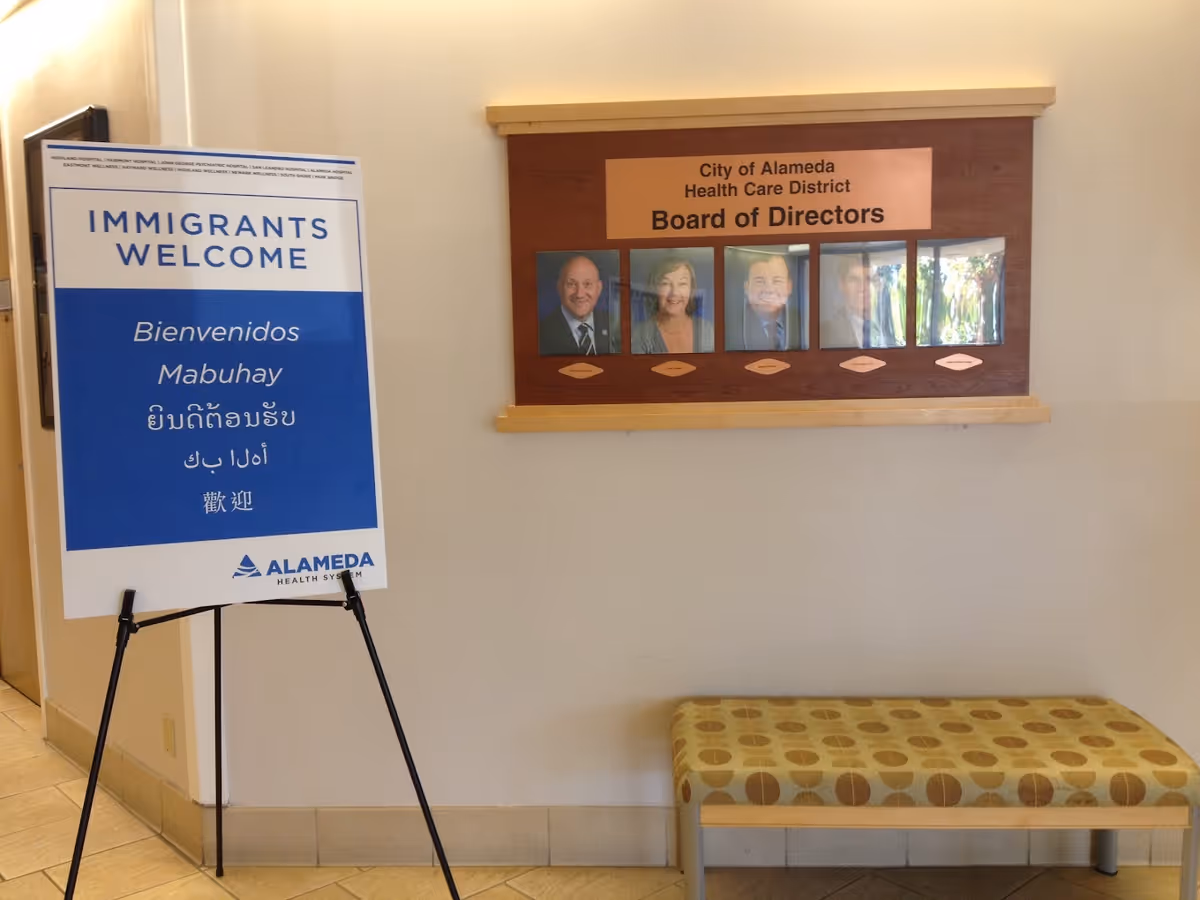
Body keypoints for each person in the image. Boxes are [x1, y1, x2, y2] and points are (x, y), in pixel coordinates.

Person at [632, 256, 714, 354]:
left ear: (691, 289)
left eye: (682, 284)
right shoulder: (640, 335)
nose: (675, 292)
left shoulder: (706, 330)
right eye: (665, 283)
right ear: (654, 289)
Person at [538, 255, 617, 356]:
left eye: (587, 284)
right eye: (571, 284)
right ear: (559, 287)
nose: (579, 294)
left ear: (599, 288)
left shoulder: (614, 325)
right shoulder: (540, 334)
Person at [726, 252, 802, 352]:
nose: (769, 289)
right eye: (760, 281)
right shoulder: (729, 327)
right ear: (746, 287)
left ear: (789, 287)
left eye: (777, 281)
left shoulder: (802, 322)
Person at [819, 254, 886, 349]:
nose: (862, 288)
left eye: (868, 279)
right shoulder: (826, 332)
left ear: (879, 285)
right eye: (854, 280)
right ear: (842, 285)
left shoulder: (889, 326)